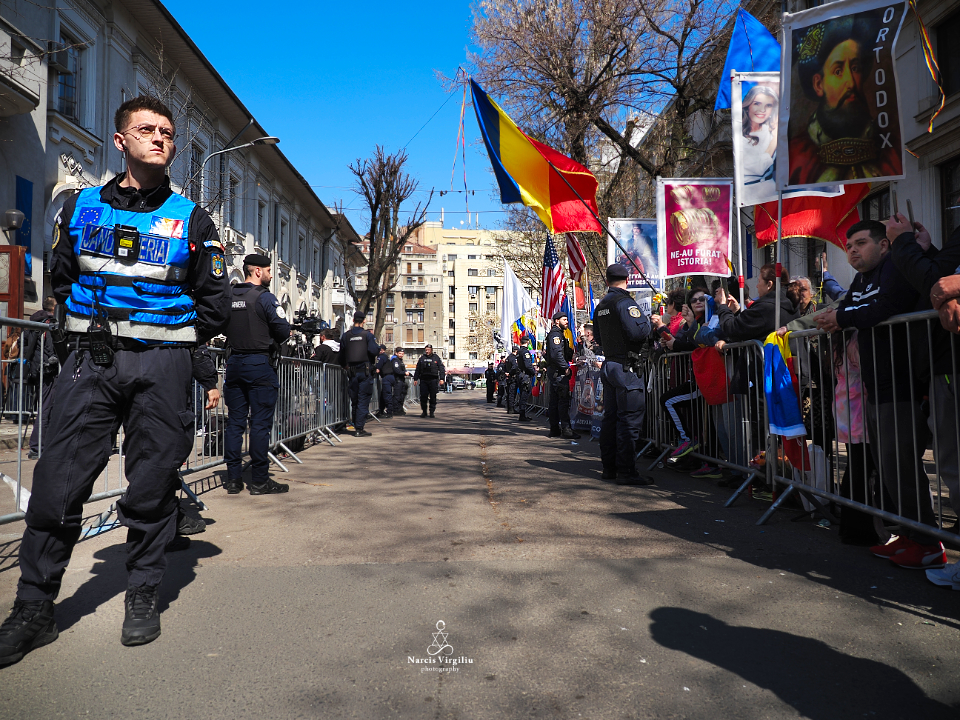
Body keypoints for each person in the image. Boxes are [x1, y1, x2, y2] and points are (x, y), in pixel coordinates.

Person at [0, 95, 231, 664]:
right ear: (121, 140)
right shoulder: (77, 208)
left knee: (151, 487)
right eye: (147, 130)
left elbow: (215, 303)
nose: (160, 139)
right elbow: (59, 280)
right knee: (57, 486)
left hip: (160, 366)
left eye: (168, 133)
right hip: (90, 361)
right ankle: (34, 609)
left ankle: (143, 595)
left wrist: (165, 340)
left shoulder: (195, 220)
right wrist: (89, 333)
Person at [816, 219, 945, 569]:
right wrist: (842, 316)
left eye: (860, 243)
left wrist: (842, 318)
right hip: (875, 385)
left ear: (884, 245)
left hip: (902, 384)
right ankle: (909, 533)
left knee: (901, 465)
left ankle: (928, 542)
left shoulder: (895, 269)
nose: (853, 250)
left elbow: (884, 308)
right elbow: (857, 309)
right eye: (849, 245)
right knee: (889, 468)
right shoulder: (860, 279)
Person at [886, 212, 960, 586]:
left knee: (954, 463)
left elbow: (935, 284)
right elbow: (937, 281)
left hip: (949, 366)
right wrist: (927, 251)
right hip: (942, 366)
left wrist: (901, 243)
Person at [789, 17, 900, 185]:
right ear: (819, 84)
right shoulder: (796, 157)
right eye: (838, 71)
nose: (850, 82)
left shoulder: (890, 151)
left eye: (855, 68)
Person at [222, 254, 290, 495]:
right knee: (260, 425)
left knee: (235, 423)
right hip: (259, 364)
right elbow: (283, 331)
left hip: (234, 364)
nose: (271, 275)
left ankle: (232, 479)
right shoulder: (265, 298)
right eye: (269, 270)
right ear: (258, 271)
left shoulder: (228, 296)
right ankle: (260, 480)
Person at [593, 263, 653, 485]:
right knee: (628, 421)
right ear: (627, 280)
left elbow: (598, 337)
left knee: (611, 419)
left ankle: (609, 468)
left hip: (610, 366)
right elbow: (639, 331)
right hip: (627, 369)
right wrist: (650, 325)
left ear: (607, 280)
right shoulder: (625, 302)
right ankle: (627, 472)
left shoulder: (601, 306)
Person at [22, 297, 59, 459]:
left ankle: (40, 445)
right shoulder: (49, 323)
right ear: (53, 307)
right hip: (48, 372)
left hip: (37, 370)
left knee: (44, 407)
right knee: (46, 408)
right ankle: (37, 447)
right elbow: (51, 351)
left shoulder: (34, 322)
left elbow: (25, 344)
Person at [339, 311, 380, 437]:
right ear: (364, 321)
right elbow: (374, 350)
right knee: (363, 400)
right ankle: (359, 428)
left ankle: (356, 424)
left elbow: (342, 356)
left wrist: (345, 366)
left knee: (355, 400)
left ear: (353, 320)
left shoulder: (346, 336)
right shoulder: (367, 335)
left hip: (352, 373)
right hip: (365, 372)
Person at [740, 84, 779, 201]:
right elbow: (758, 167)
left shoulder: (770, 130)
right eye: (757, 103)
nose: (762, 110)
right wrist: (776, 138)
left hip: (772, 192)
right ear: (748, 106)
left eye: (768, 105)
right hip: (749, 196)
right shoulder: (740, 135)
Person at [545, 311, 579, 438]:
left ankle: (555, 429)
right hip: (558, 373)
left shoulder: (559, 334)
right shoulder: (555, 335)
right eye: (564, 319)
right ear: (556, 321)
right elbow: (556, 354)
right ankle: (565, 430)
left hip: (555, 372)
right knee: (562, 402)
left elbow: (562, 352)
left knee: (554, 402)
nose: (566, 321)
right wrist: (565, 367)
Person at [414, 344, 445, 417]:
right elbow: (418, 369)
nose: (427, 351)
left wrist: (442, 378)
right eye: (426, 350)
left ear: (431, 350)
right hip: (424, 380)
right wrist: (415, 378)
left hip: (433, 380)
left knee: (433, 397)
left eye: (428, 350)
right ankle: (424, 412)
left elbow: (441, 369)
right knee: (423, 397)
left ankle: (432, 412)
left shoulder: (436, 358)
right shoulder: (422, 358)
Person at [516, 336, 536, 422]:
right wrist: (533, 372)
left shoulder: (519, 351)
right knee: (524, 395)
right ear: (527, 342)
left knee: (522, 395)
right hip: (525, 376)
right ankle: (522, 415)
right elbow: (528, 365)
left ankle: (522, 414)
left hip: (521, 375)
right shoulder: (525, 352)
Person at [375, 344, 394, 418]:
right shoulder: (386, 356)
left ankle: (389, 412)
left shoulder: (381, 357)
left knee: (386, 395)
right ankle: (381, 410)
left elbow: (378, 368)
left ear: (382, 350)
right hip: (389, 377)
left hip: (387, 377)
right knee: (383, 395)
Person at [391, 348, 409, 415]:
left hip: (401, 380)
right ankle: (395, 410)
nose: (401, 355)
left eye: (402, 354)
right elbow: (397, 371)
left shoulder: (400, 360)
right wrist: (404, 373)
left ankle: (400, 409)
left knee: (401, 395)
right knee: (397, 396)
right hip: (397, 380)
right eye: (400, 353)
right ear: (396, 353)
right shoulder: (395, 360)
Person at [503, 347, 520, 413]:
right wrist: (510, 373)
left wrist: (506, 373)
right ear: (516, 351)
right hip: (513, 377)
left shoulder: (508, 358)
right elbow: (515, 367)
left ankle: (509, 408)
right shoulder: (514, 358)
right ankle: (511, 409)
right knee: (512, 394)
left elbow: (504, 367)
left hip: (509, 378)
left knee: (509, 394)